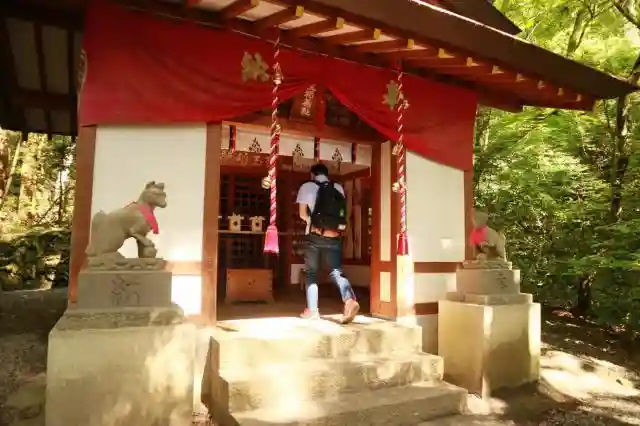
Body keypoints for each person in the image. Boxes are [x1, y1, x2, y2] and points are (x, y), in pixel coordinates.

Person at [296, 163, 360, 323]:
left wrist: (314, 223)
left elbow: (302, 214)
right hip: (334, 236)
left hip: (314, 236)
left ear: (312, 174)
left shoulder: (306, 186)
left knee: (311, 273)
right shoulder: (337, 187)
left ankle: (312, 311)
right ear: (327, 175)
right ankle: (349, 300)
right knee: (336, 271)